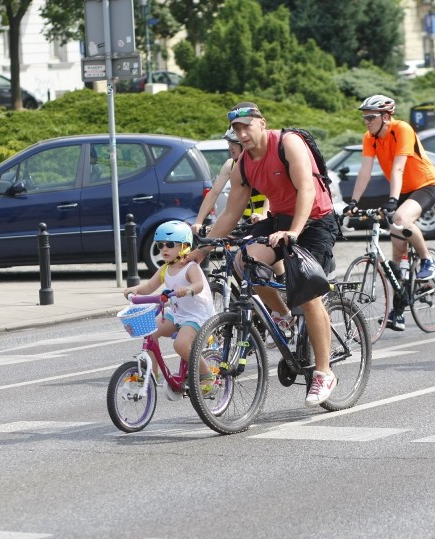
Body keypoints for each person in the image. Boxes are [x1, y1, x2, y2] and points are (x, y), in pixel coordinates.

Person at [184, 101, 339, 407]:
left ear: (262, 123)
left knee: (308, 296)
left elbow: (306, 189)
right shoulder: (242, 164)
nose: (241, 134)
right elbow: (231, 212)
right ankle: (281, 315)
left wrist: (293, 232)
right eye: (236, 129)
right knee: (244, 262)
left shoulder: (288, 143)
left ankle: (324, 372)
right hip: (281, 220)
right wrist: (201, 251)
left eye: (246, 126)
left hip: (316, 219)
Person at [345, 94, 435, 332]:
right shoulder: (370, 138)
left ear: (386, 116)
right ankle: (398, 313)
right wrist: (353, 202)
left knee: (401, 218)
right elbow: (365, 173)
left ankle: (427, 260)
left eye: (371, 117)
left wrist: (392, 200)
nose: (366, 121)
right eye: (364, 118)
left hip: (425, 184)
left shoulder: (402, 130)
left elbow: (398, 167)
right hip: (402, 189)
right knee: (397, 253)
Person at [123, 221, 217, 388]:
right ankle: (153, 374)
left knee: (180, 345)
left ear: (185, 246)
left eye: (170, 245)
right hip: (177, 313)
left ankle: (207, 375)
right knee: (150, 331)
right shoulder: (165, 269)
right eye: (160, 245)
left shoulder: (190, 267)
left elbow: (199, 285)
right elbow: (149, 286)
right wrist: (134, 290)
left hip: (197, 316)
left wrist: (187, 289)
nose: (164, 249)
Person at [191, 128, 267, 235]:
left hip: (268, 218)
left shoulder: (260, 164)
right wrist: (198, 221)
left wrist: (264, 214)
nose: (229, 147)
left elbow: (273, 194)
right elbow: (213, 193)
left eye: (234, 144)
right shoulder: (230, 165)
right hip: (247, 222)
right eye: (229, 143)